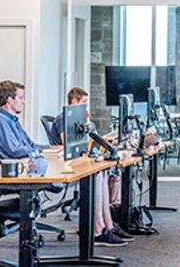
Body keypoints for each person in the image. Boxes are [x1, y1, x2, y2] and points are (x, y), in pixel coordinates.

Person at [54, 87, 133, 246]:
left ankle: (108, 224)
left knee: (108, 170)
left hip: (80, 159)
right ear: (74, 101)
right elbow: (68, 143)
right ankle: (98, 229)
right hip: (68, 165)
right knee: (98, 174)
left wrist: (89, 124)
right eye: (84, 102)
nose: (86, 106)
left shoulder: (80, 118)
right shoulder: (64, 118)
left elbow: (91, 144)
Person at [0, 80, 49, 159]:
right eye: (20, 98)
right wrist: (36, 151)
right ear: (9, 100)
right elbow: (15, 151)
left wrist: (51, 148)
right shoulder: (1, 121)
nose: (23, 102)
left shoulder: (13, 120)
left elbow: (31, 144)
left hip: (24, 161)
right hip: (15, 166)